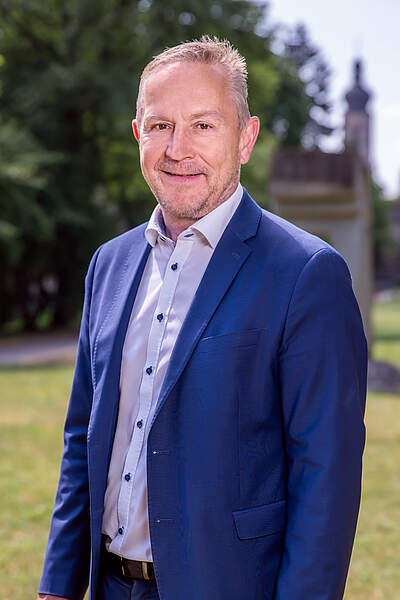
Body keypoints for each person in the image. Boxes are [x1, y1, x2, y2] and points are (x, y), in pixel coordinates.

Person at [38, 36, 367, 600]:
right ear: (138, 135)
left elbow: (326, 481)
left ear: (246, 138)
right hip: (110, 586)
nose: (178, 149)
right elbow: (82, 439)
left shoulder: (307, 274)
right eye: (161, 126)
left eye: (204, 126)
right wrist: (57, 585)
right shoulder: (109, 264)